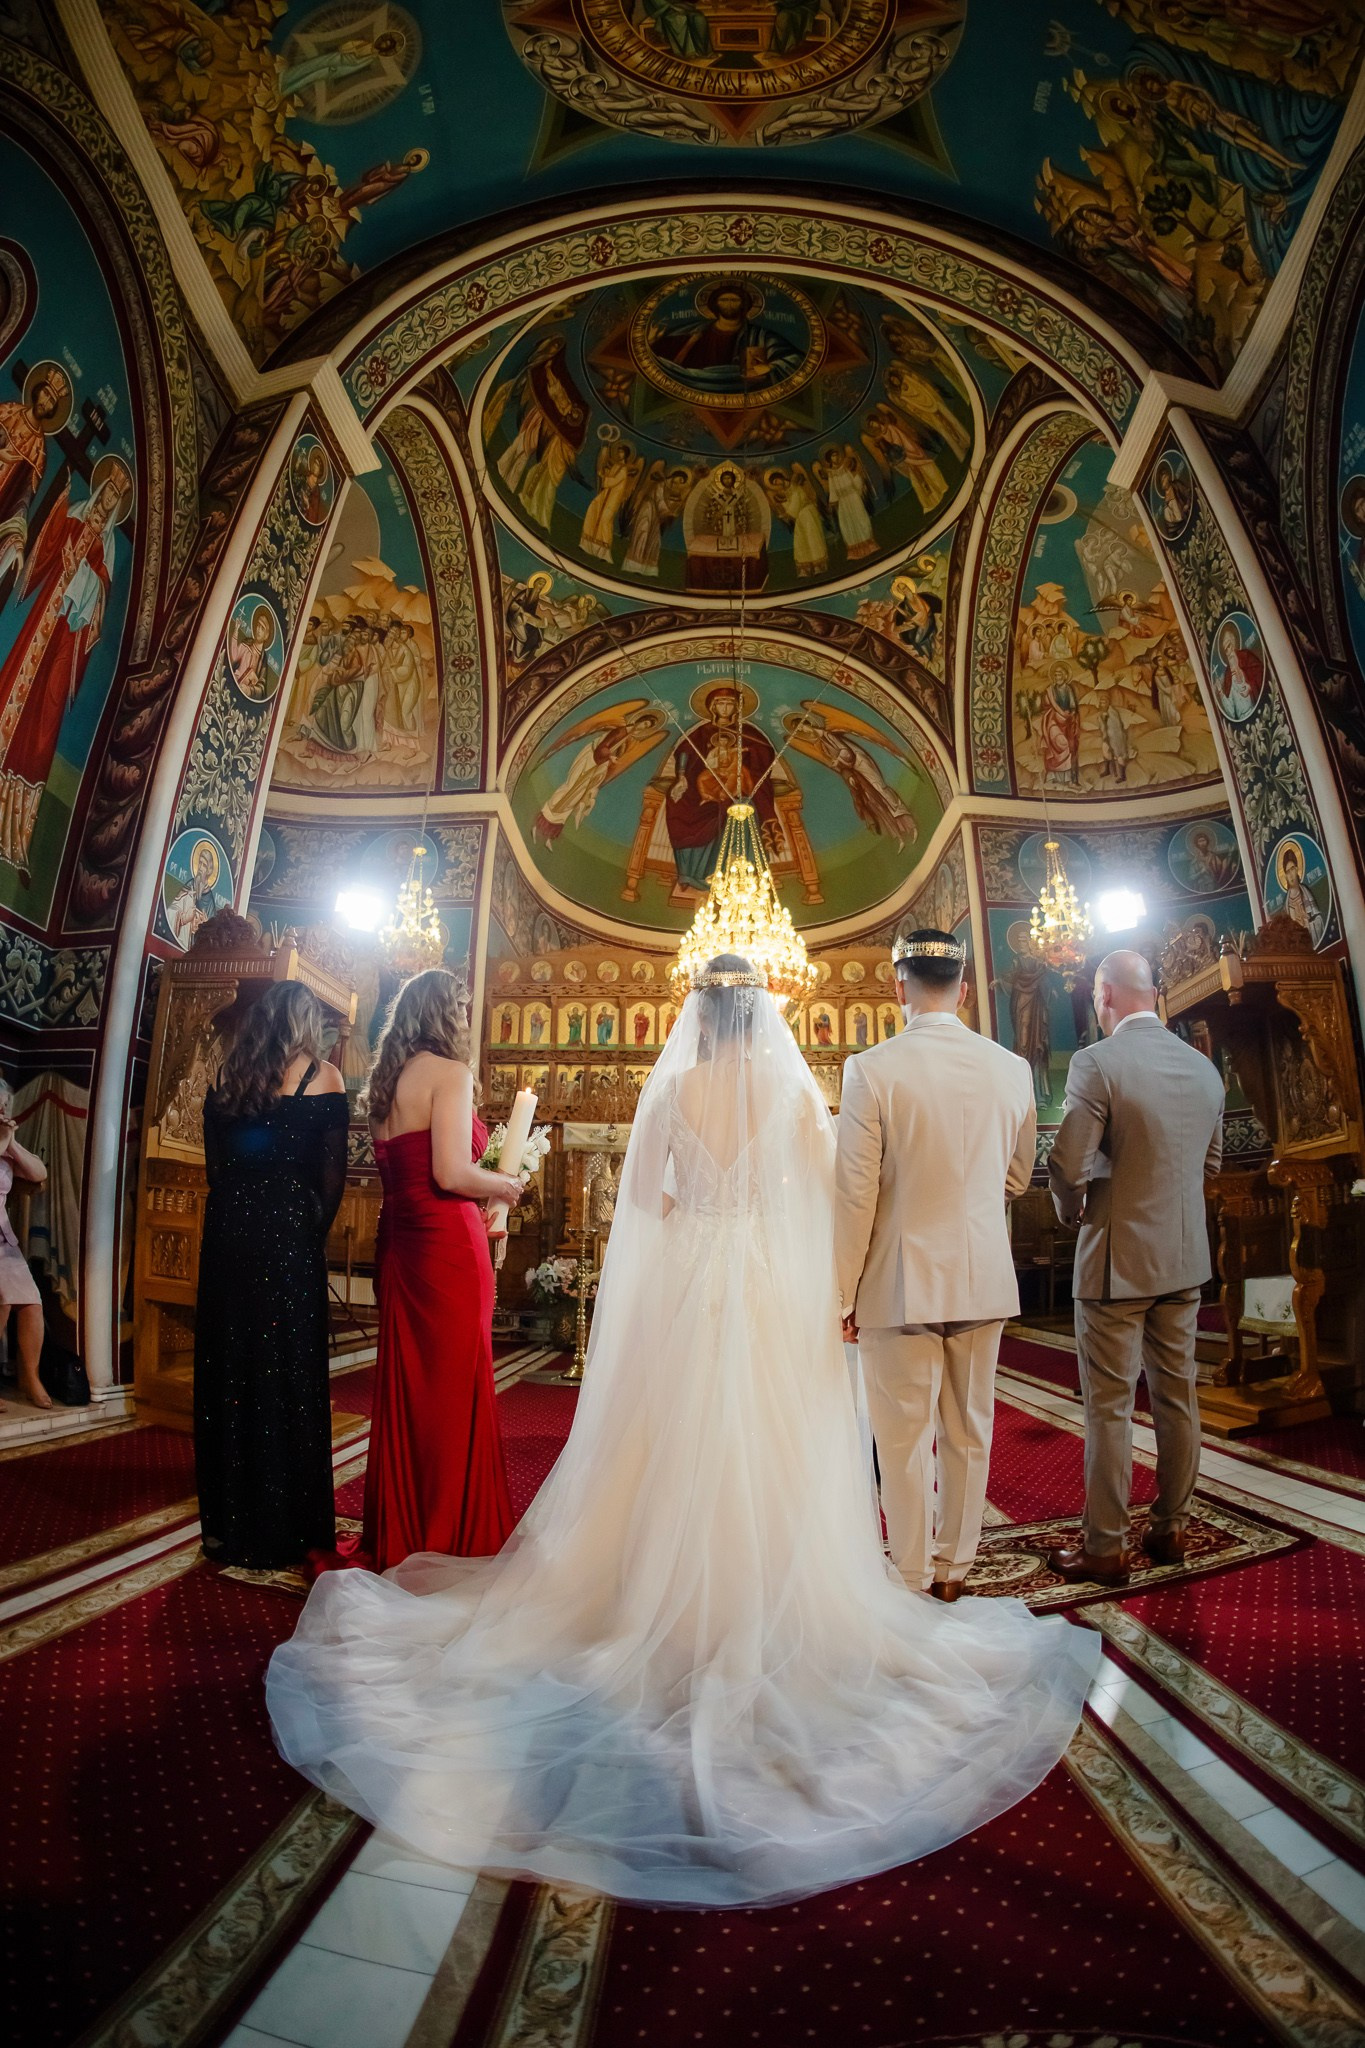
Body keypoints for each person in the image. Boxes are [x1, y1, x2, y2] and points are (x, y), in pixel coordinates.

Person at [267, 953, 1097, 1909]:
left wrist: (694, 1215)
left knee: (671, 1443)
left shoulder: (672, 1092)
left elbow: (646, 1205)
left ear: (698, 1019)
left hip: (694, 1281)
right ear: (761, 1018)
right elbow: (818, 1197)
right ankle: (770, 1596)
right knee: (773, 1445)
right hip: (768, 1287)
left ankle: (657, 1595)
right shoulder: (794, 1095)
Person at [835, 931, 1036, 1599]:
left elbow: (855, 1193)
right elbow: (1017, 1178)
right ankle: (955, 1569)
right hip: (982, 1273)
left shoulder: (871, 1068)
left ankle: (914, 1572)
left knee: (901, 1438)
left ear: (898, 986)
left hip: (900, 1279)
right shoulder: (1012, 1068)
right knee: (969, 1428)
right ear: (964, 989)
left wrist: (841, 1294)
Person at [1046, 950, 1225, 1586]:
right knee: (1178, 1397)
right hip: (1184, 1260)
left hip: (1116, 1265)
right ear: (1153, 993)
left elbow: (1068, 1165)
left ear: (1104, 996)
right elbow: (1210, 1167)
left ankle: (1105, 1547)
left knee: (1110, 1406)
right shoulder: (1204, 1068)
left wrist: (1071, 1210)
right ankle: (1171, 1528)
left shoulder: (1097, 1062)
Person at [359, 968, 522, 1571]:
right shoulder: (450, 1074)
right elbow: (451, 1173)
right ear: (446, 1015)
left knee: (412, 1387)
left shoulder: (384, 1084)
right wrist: (505, 1184)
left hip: (399, 1244)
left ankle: (405, 1527)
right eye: (462, 1011)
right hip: (447, 1248)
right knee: (455, 1389)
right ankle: (452, 1533)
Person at [195, 982, 349, 1570]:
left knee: (230, 1366)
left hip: (228, 1232)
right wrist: (305, 1233)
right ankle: (289, 1527)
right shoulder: (324, 1077)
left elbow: (216, 1170)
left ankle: (231, 1525)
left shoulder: (227, 1076)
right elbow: (331, 1180)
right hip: (288, 1234)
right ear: (305, 1023)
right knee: (288, 1367)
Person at [0, 1076, 49, 1413]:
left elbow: (38, 1173)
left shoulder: (5, 1143)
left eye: (4, 1106)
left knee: (32, 1302)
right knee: (2, 1300)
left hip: (3, 1240)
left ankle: (31, 1377)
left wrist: (12, 1142)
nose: (3, 1112)